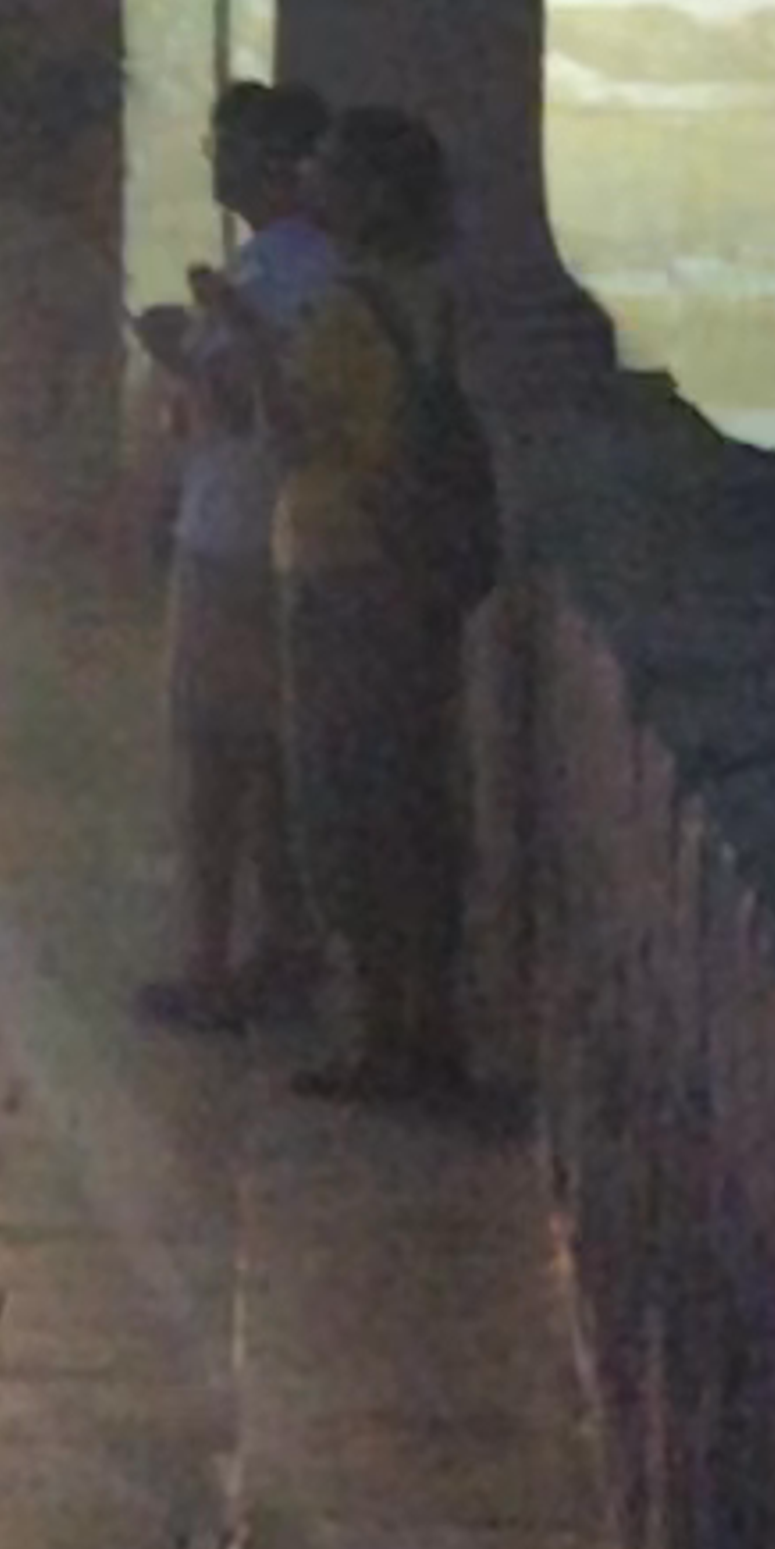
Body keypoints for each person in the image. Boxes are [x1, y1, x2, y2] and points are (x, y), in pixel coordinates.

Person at [266, 98, 480, 1105]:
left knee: (350, 804)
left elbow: (303, 436)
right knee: (410, 800)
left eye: (333, 167)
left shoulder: (353, 306)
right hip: (407, 574)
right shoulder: (432, 293)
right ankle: (420, 1023)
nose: (313, 178)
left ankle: (382, 1032)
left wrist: (241, 345)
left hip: (348, 571)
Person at [131, 80, 332, 1033]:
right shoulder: (281, 266)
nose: (218, 161)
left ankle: (213, 966)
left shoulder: (283, 274)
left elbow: (252, 407)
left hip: (236, 538)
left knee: (218, 759)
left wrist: (196, 348)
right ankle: (278, 949)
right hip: (256, 531)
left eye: (231, 146)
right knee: (265, 766)